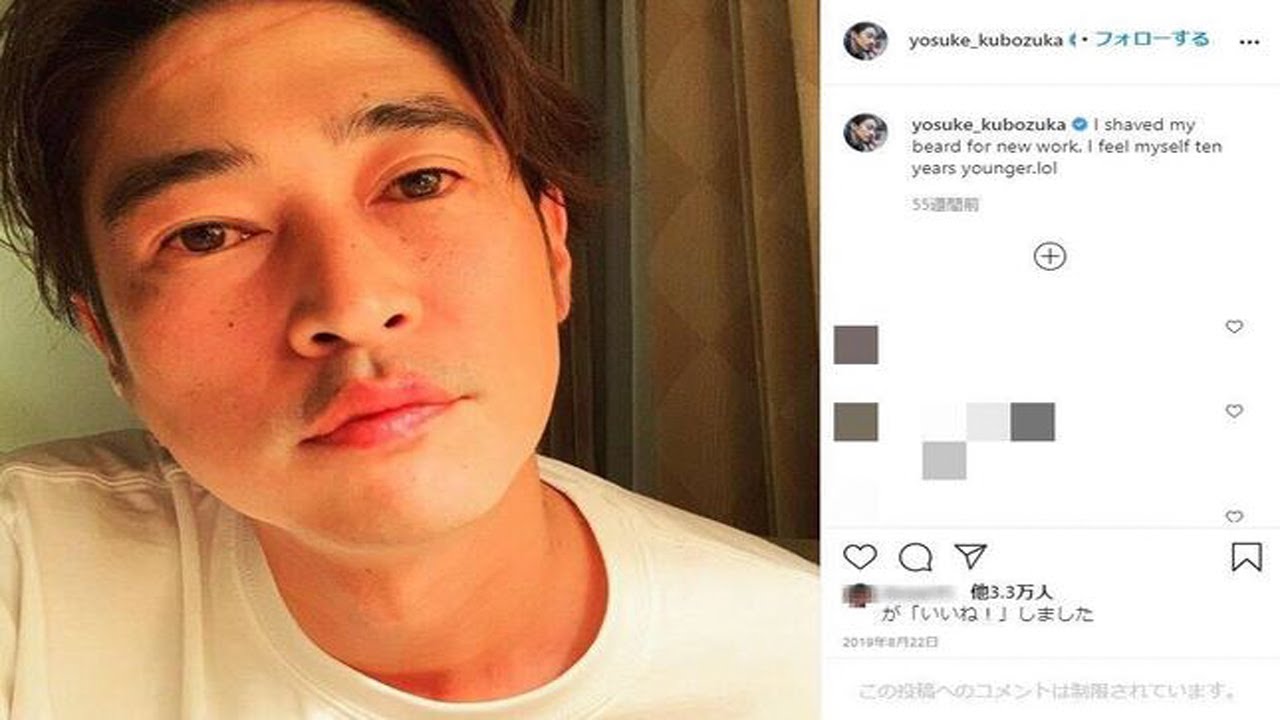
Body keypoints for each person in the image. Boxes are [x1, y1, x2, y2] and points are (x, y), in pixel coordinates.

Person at [0, 1, 818, 717]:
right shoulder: (27, 583)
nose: (352, 304)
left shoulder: (815, 669)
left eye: (421, 182)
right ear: (108, 343)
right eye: (206, 234)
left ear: (553, 246)